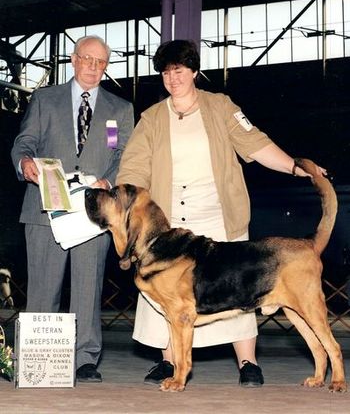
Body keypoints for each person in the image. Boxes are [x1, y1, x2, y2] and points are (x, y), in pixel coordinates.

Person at [116, 39, 326, 387]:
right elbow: (134, 170)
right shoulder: (151, 118)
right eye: (166, 72)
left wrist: (294, 167)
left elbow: (255, 144)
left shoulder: (220, 106)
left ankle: (248, 363)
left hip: (217, 213)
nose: (173, 78)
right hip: (169, 222)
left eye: (179, 70)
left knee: (241, 285)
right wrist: (122, 196)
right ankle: (170, 363)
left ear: (194, 71)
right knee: (169, 296)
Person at [11, 35, 134, 382]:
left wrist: (108, 183)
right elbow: (25, 142)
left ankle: (85, 358)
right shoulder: (44, 98)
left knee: (88, 285)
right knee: (43, 288)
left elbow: (124, 156)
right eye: (87, 59)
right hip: (44, 209)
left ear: (106, 67)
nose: (93, 67)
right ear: (73, 59)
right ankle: (37, 358)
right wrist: (23, 163)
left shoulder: (120, 109)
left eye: (101, 62)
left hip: (94, 214)